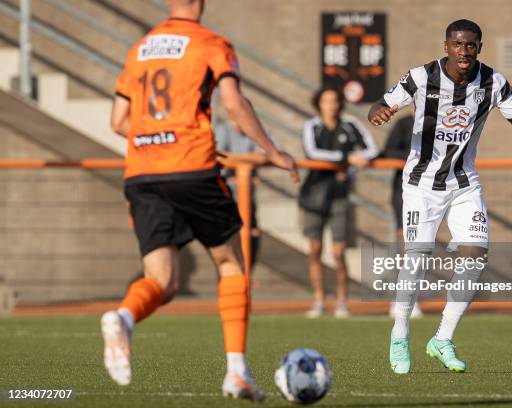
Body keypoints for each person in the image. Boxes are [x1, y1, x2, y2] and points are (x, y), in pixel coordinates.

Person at [103, 0, 298, 401]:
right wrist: (273, 151)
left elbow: (119, 122)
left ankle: (123, 317)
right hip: (191, 166)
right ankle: (236, 372)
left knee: (162, 281)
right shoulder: (210, 42)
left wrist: (162, 142)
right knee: (231, 264)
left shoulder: (140, 48)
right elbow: (233, 103)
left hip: (142, 172)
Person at [368, 19, 512, 374]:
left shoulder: (493, 82)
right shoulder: (421, 77)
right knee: (416, 259)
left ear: (480, 46)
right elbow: (380, 104)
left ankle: (442, 338)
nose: (464, 52)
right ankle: (400, 334)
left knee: (475, 255)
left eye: (471, 45)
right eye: (457, 45)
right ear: (446, 46)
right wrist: (379, 112)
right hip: (420, 185)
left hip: (464, 183)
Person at [300, 85, 379, 318]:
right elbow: (312, 153)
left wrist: (353, 164)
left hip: (339, 194)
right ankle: (319, 300)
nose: (331, 105)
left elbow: (371, 149)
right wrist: (346, 159)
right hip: (314, 193)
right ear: (319, 103)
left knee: (338, 251)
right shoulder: (311, 125)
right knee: (315, 249)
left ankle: (342, 301)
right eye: (326, 101)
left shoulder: (350, 123)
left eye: (334, 100)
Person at [379, 114, 424, 319]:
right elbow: (389, 151)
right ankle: (401, 299)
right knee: (407, 243)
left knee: (422, 245)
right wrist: (418, 156)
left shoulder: (442, 119)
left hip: (433, 191)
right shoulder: (404, 123)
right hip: (405, 190)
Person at [215, 117, 275, 269]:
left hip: (247, 199)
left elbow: (268, 154)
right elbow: (218, 155)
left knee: (251, 238)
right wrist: (251, 159)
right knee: (228, 246)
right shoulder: (223, 130)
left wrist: (235, 159)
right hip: (227, 199)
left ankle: (246, 277)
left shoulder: (255, 130)